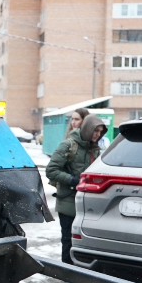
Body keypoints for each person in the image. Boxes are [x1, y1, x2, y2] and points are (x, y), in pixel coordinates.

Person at [46, 113, 108, 265]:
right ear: (87, 129)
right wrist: (72, 180)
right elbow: (51, 170)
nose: (97, 134)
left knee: (85, 240)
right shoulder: (69, 145)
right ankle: (68, 273)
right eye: (95, 131)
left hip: (87, 202)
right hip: (68, 201)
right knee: (68, 238)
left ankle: (80, 270)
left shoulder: (95, 149)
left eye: (100, 132)